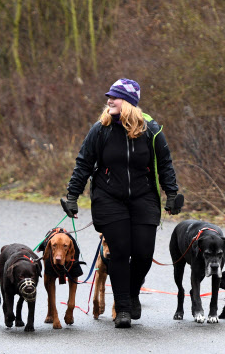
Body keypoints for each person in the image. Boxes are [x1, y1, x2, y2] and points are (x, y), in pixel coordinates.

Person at [63, 78, 182, 328]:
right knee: (120, 251)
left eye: (114, 97)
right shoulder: (101, 129)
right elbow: (84, 162)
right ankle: (124, 308)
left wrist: (171, 193)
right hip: (109, 197)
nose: (108, 100)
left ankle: (132, 292)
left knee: (143, 253)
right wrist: (72, 196)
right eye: (109, 96)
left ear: (128, 102)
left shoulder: (151, 130)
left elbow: (165, 162)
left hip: (144, 196)